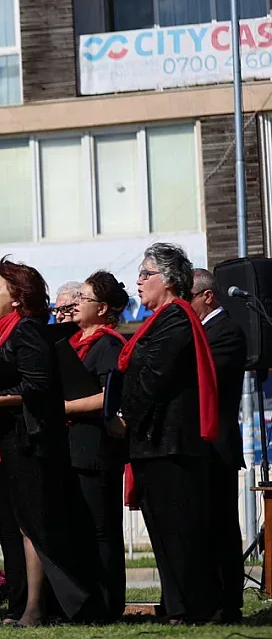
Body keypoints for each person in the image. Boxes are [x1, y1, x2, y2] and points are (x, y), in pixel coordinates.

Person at [0, 258, 100, 626]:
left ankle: (37, 609)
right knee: (22, 524)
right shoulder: (3, 332)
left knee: (34, 527)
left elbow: (37, 387)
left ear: (18, 298)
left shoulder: (26, 330)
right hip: (11, 439)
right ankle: (29, 605)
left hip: (31, 441)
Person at [113, 244, 219, 623]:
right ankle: (177, 605)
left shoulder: (175, 318)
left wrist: (123, 417)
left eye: (146, 274)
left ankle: (190, 607)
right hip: (153, 442)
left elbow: (153, 378)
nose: (138, 282)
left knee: (178, 531)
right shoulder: (159, 319)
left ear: (170, 281)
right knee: (164, 531)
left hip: (169, 443)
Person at [65, 271, 129, 621]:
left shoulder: (108, 345)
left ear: (103, 308)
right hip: (72, 446)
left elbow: (107, 397)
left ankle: (107, 604)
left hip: (96, 448)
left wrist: (63, 408)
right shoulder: (75, 343)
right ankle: (85, 601)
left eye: (83, 297)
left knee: (101, 528)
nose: (76, 303)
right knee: (81, 528)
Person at [190, 267, 247, 623]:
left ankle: (228, 603)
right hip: (198, 442)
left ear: (207, 296)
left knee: (222, 525)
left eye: (189, 297)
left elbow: (205, 379)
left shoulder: (225, 331)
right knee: (202, 523)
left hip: (218, 444)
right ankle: (207, 596)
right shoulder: (199, 331)